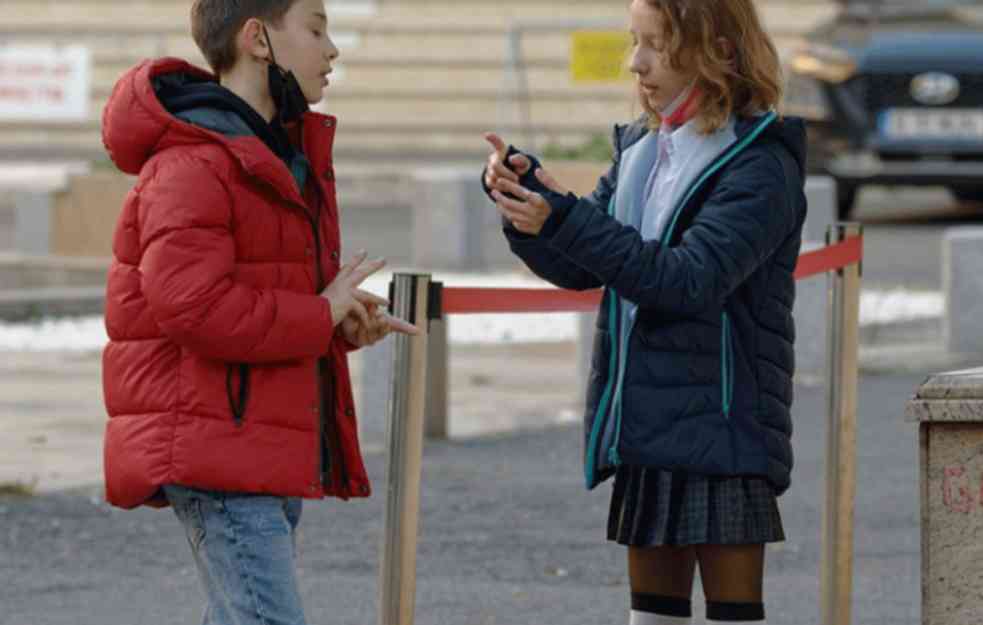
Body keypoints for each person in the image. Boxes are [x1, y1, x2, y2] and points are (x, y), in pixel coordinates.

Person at [482, 1, 806, 623]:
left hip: (725, 430)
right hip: (648, 427)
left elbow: (685, 282)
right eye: (636, 41)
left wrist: (568, 219)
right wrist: (531, 209)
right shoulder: (642, 150)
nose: (637, 62)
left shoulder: (761, 164)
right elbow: (585, 266)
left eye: (657, 44)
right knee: (651, 618)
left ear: (718, 51)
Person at [100, 0, 417, 622]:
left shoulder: (273, 156)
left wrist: (338, 323)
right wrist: (317, 313)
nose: (332, 50)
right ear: (257, 39)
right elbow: (192, 307)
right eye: (317, 28)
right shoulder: (195, 162)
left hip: (255, 441)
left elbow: (263, 300)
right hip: (217, 446)